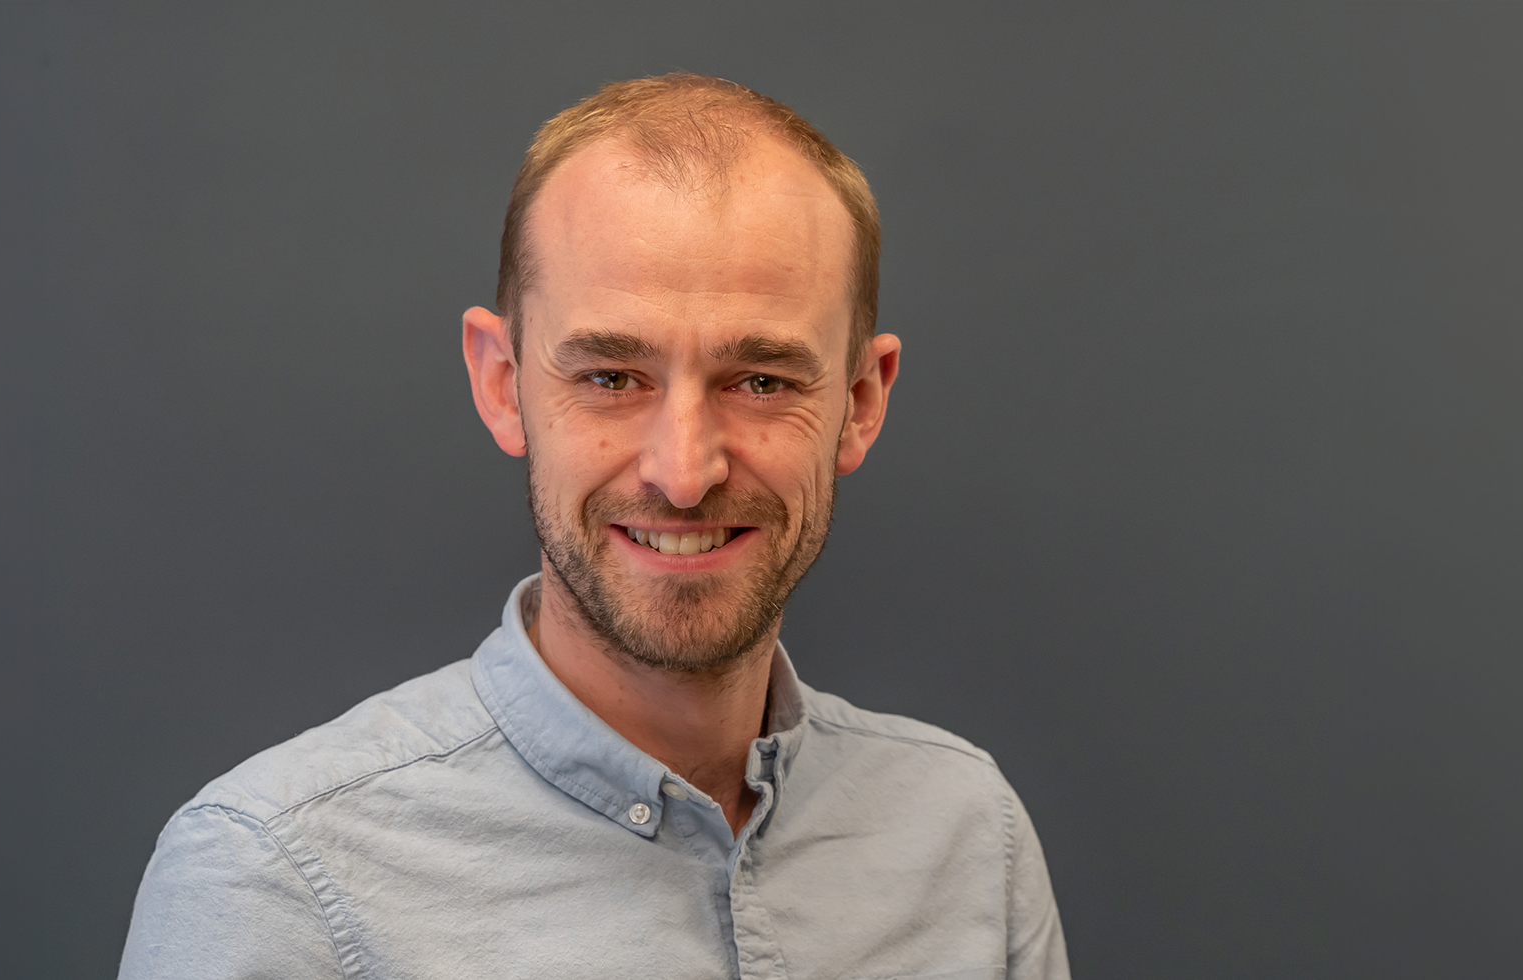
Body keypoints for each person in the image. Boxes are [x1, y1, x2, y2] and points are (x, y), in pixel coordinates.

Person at [119, 73, 1069, 980]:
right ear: (502, 384)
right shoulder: (277, 876)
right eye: (611, 378)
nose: (684, 474)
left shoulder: (967, 837)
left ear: (860, 402)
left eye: (761, 381)